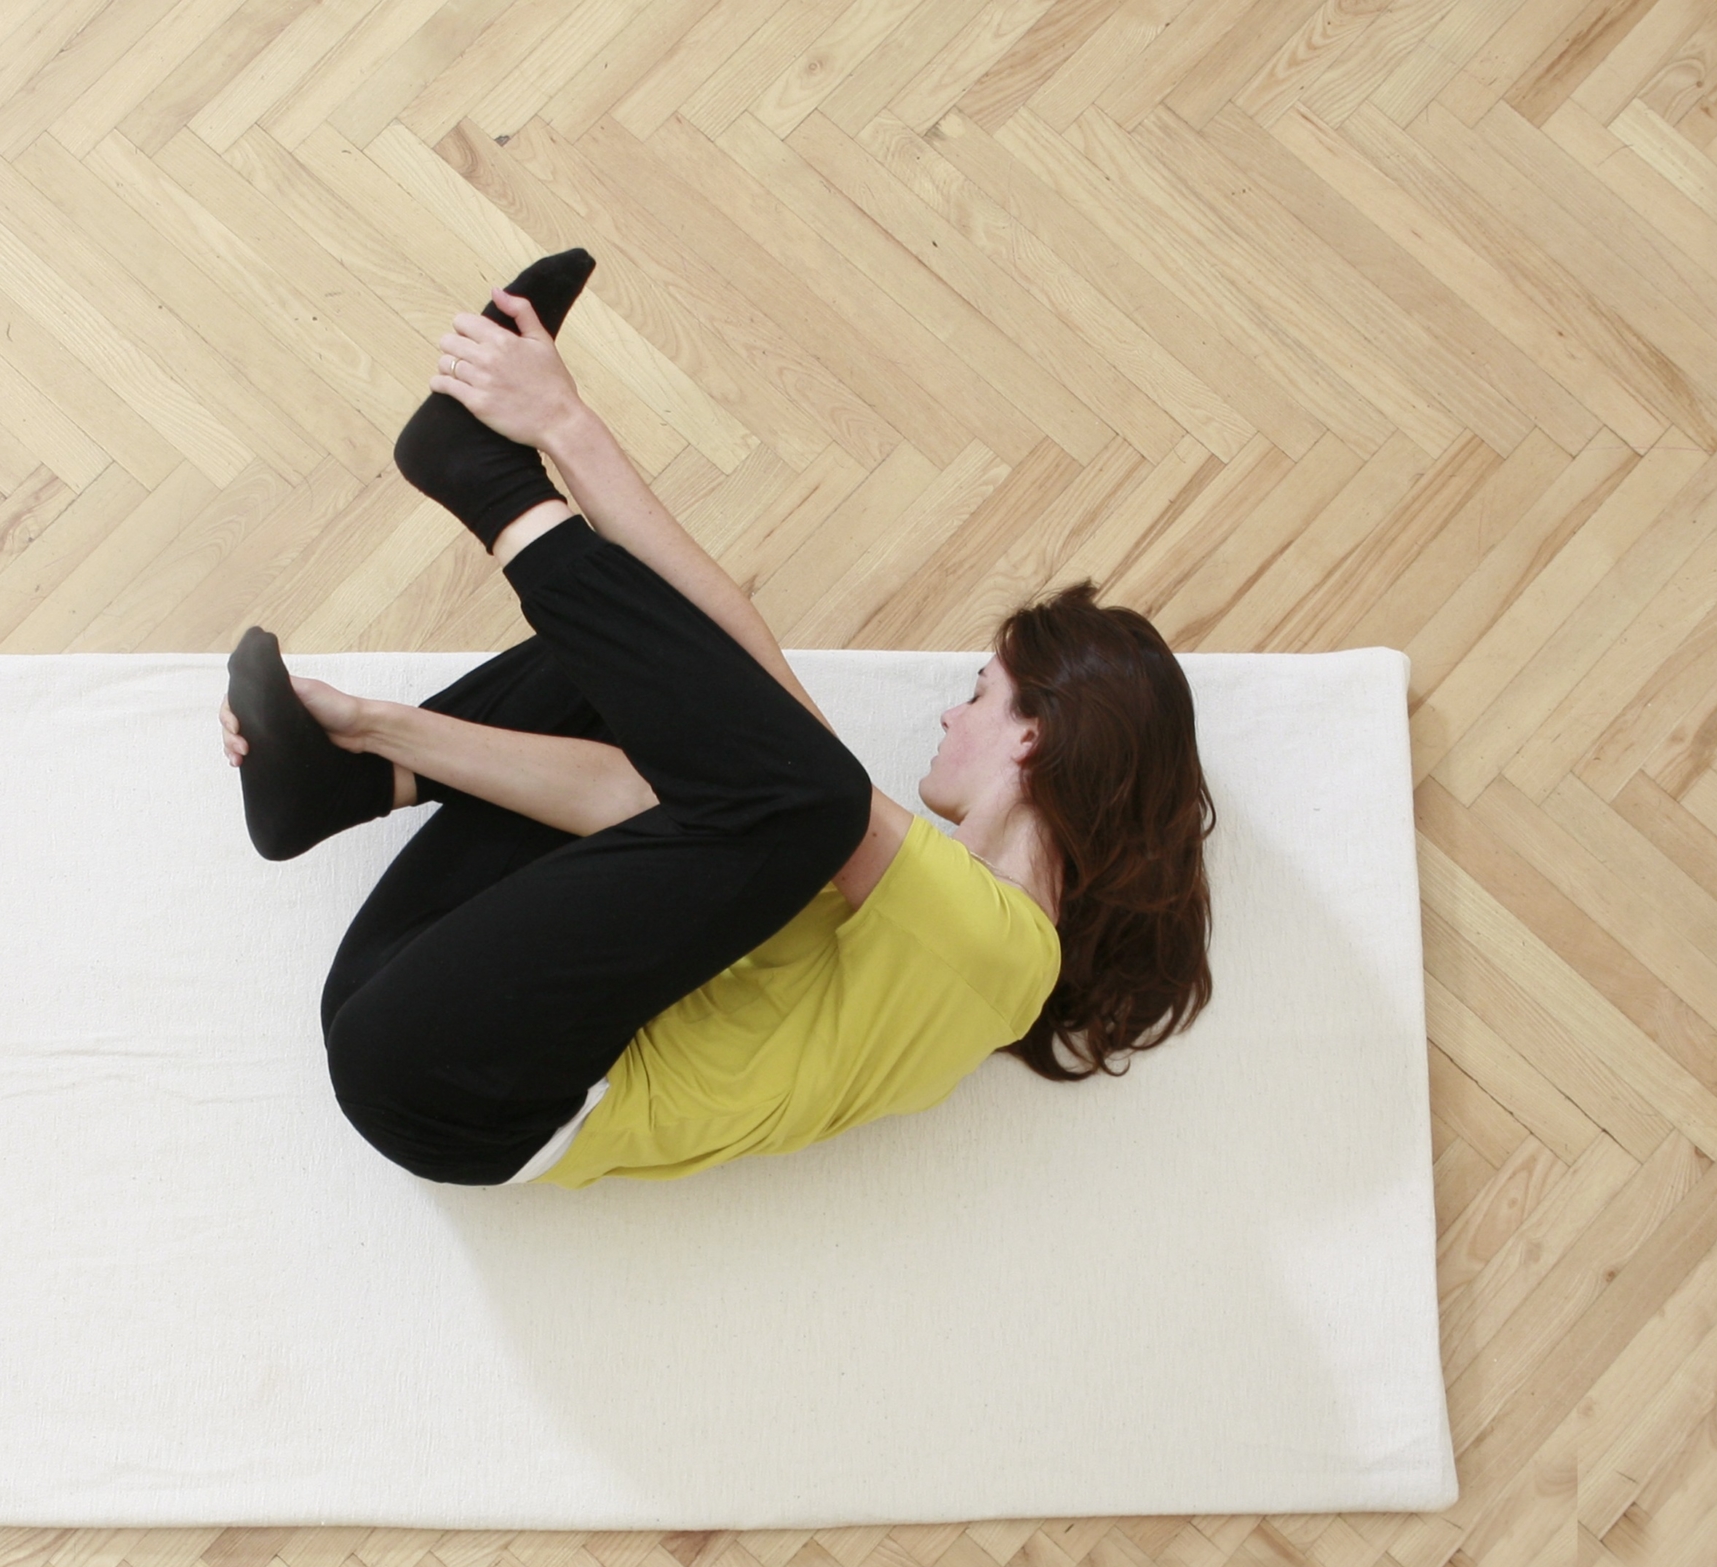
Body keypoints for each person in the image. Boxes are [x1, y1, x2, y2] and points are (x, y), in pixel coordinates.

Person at [220, 251, 1216, 1188]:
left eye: (980, 693)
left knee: (773, 759)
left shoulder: (1004, 953)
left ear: (1034, 735)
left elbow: (757, 698)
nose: (951, 715)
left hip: (463, 1090)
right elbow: (639, 784)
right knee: (660, 688)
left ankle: (483, 483)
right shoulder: (894, 916)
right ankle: (345, 784)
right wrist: (372, 728)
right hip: (403, 990)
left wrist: (565, 428)